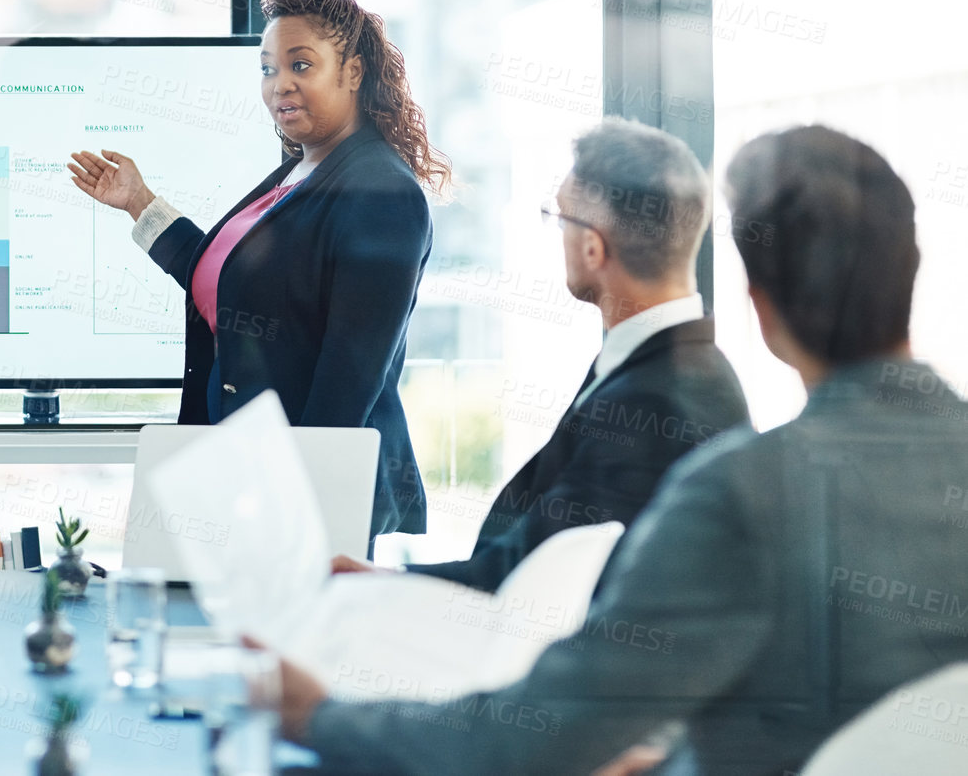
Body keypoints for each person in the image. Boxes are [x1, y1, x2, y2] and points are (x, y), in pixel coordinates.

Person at [274, 126, 968, 776]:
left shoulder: (741, 489)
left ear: (757, 305)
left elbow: (534, 733)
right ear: (910, 268)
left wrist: (319, 717)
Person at [70, 0, 448, 537]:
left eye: (301, 64)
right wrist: (138, 202)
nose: (280, 85)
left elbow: (350, 377)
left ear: (353, 72)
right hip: (245, 471)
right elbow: (227, 283)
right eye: (268, 68)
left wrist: (297, 505)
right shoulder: (301, 171)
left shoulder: (380, 193)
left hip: (305, 494)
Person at [336, 119, 750, 591]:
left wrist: (379, 584)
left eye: (560, 218)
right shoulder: (680, 367)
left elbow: (534, 576)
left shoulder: (653, 403)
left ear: (593, 247)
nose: (557, 235)